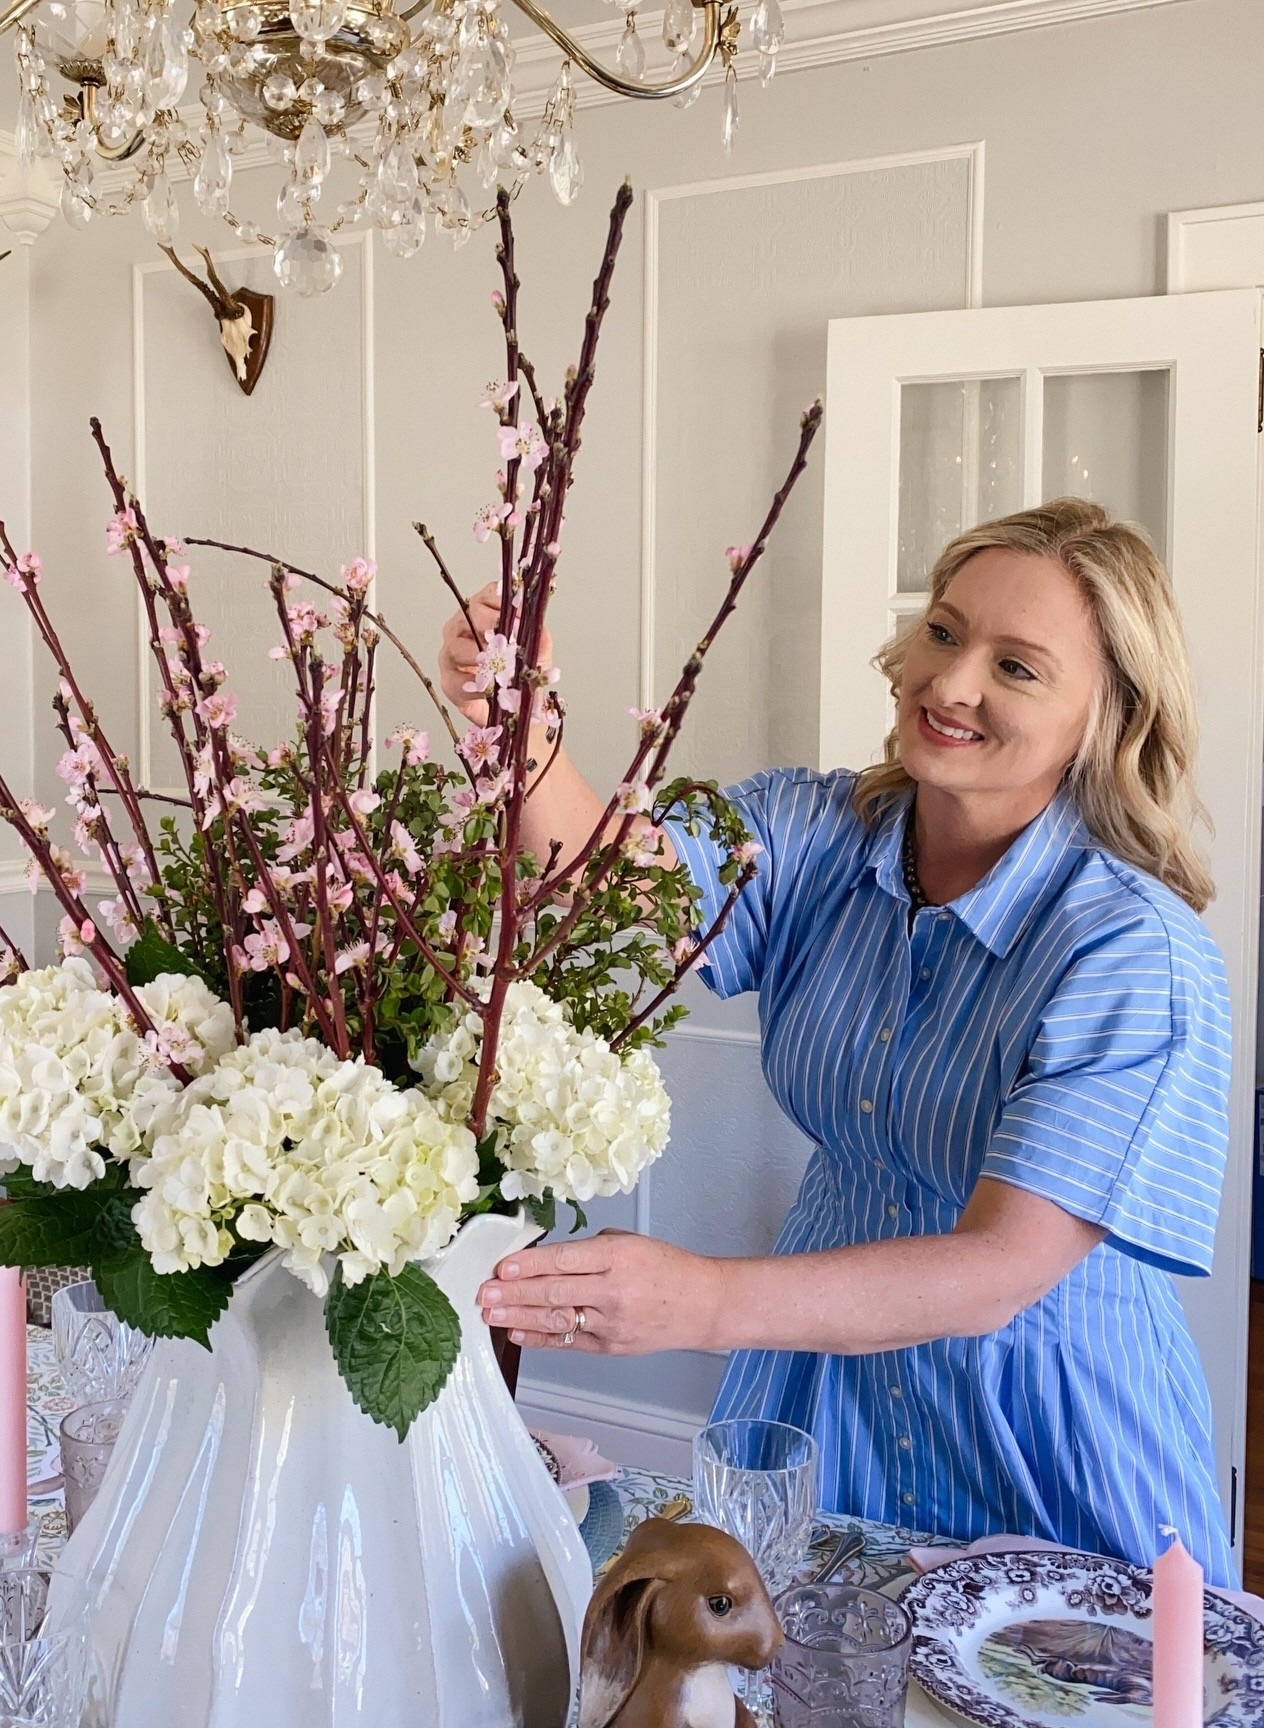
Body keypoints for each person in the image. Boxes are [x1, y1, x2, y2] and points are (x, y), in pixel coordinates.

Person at [437, 499, 1236, 1582]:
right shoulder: (816, 832)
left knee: (1052, 1723)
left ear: (1108, 714)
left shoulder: (1133, 954)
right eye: (945, 633)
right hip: (826, 1398)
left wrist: (702, 1301)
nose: (952, 684)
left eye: (1018, 667)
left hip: (1046, 1428)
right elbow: (615, 877)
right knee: (805, 1720)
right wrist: (523, 735)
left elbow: (998, 1270)